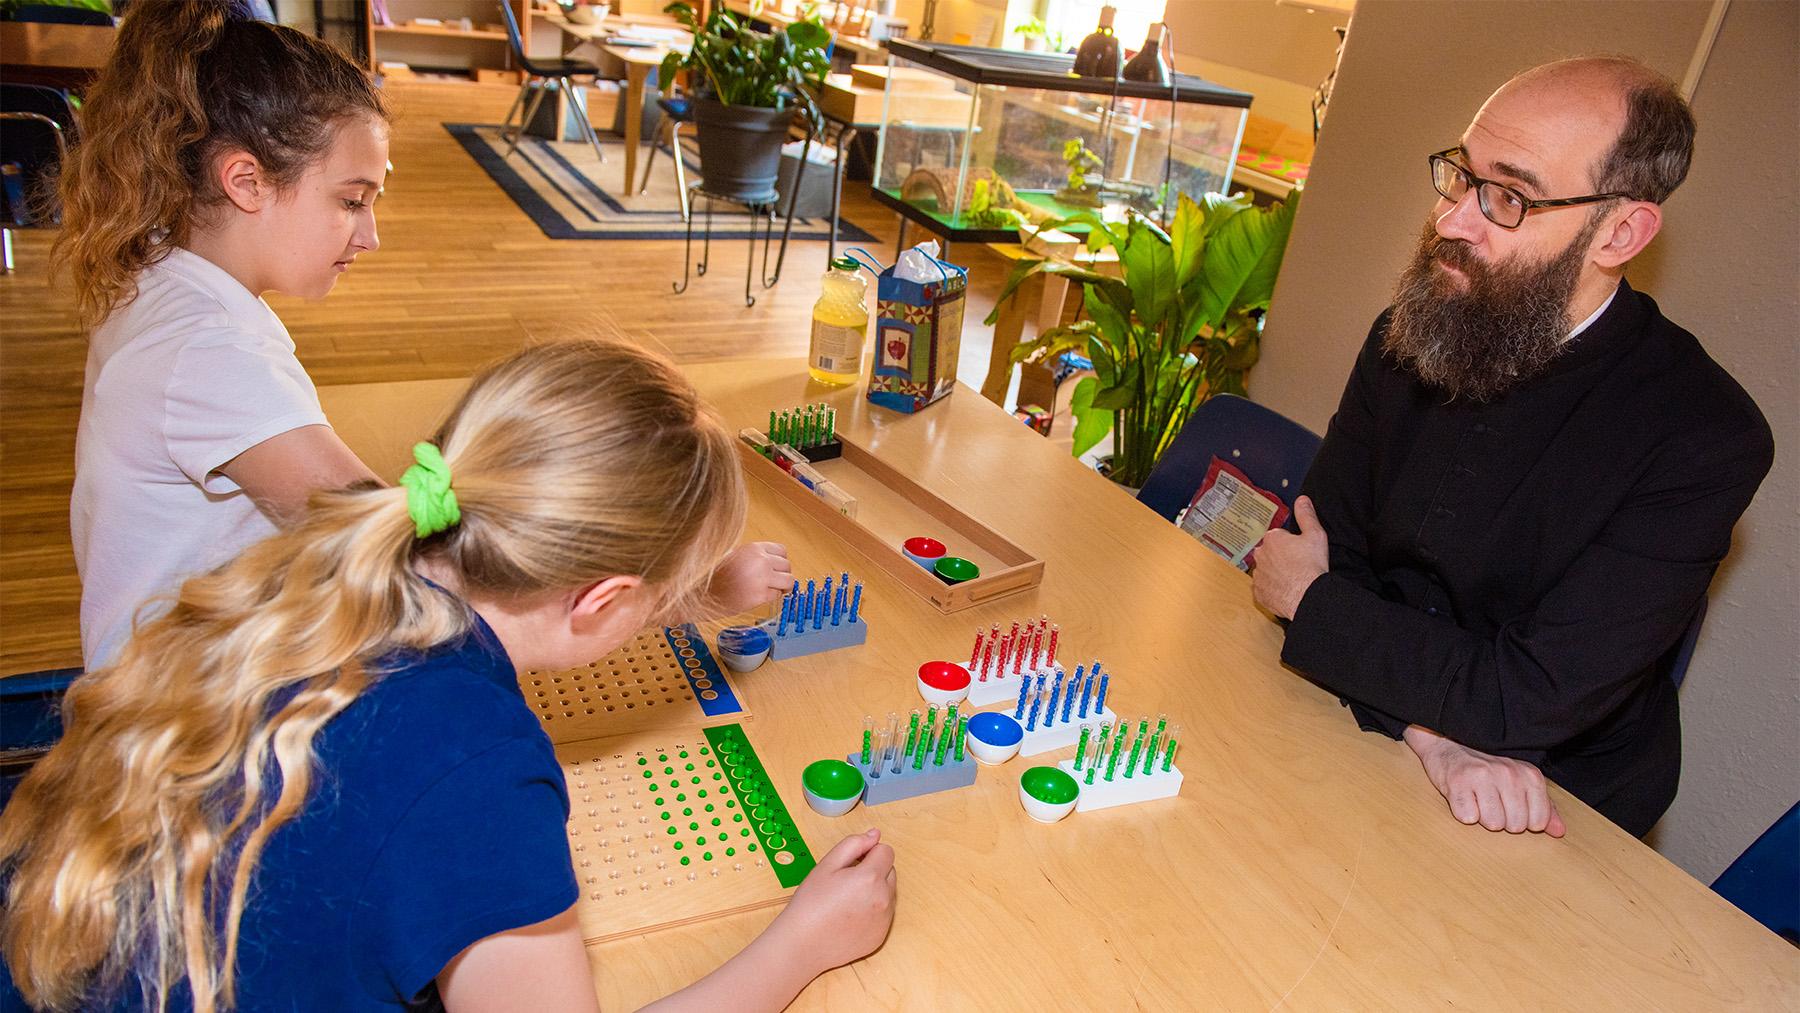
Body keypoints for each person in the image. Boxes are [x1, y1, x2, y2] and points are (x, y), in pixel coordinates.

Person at [0, 340, 897, 1012]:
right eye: (664, 596)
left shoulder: (338, 573)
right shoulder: (476, 763)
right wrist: (803, 941)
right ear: (603, 599)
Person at [1251, 58, 1774, 839]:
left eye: (1509, 197)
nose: (1453, 220)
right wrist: (1431, 734)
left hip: (1547, 804)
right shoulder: (1415, 326)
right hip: (1362, 727)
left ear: (1620, 232)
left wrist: (1321, 609)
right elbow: (1324, 548)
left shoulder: (1706, 436)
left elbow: (1524, 698)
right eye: (1461, 175)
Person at [61, 0, 390, 668]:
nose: (370, 235)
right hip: (182, 724)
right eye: (351, 201)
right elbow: (378, 536)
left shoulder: (160, 265)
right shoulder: (211, 353)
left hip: (153, 680)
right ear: (245, 181)